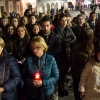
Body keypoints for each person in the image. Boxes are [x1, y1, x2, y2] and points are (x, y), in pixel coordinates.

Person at [22, 36, 59, 100]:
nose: (34, 50)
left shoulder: (50, 59)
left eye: (37, 48)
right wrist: (31, 82)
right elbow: (23, 75)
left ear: (43, 47)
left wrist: (43, 83)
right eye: (33, 48)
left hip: (47, 92)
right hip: (32, 92)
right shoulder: (29, 59)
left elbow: (56, 76)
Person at [69, 28, 94, 100]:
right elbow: (72, 62)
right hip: (78, 74)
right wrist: (83, 71)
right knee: (78, 91)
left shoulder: (90, 44)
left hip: (88, 73)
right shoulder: (76, 46)